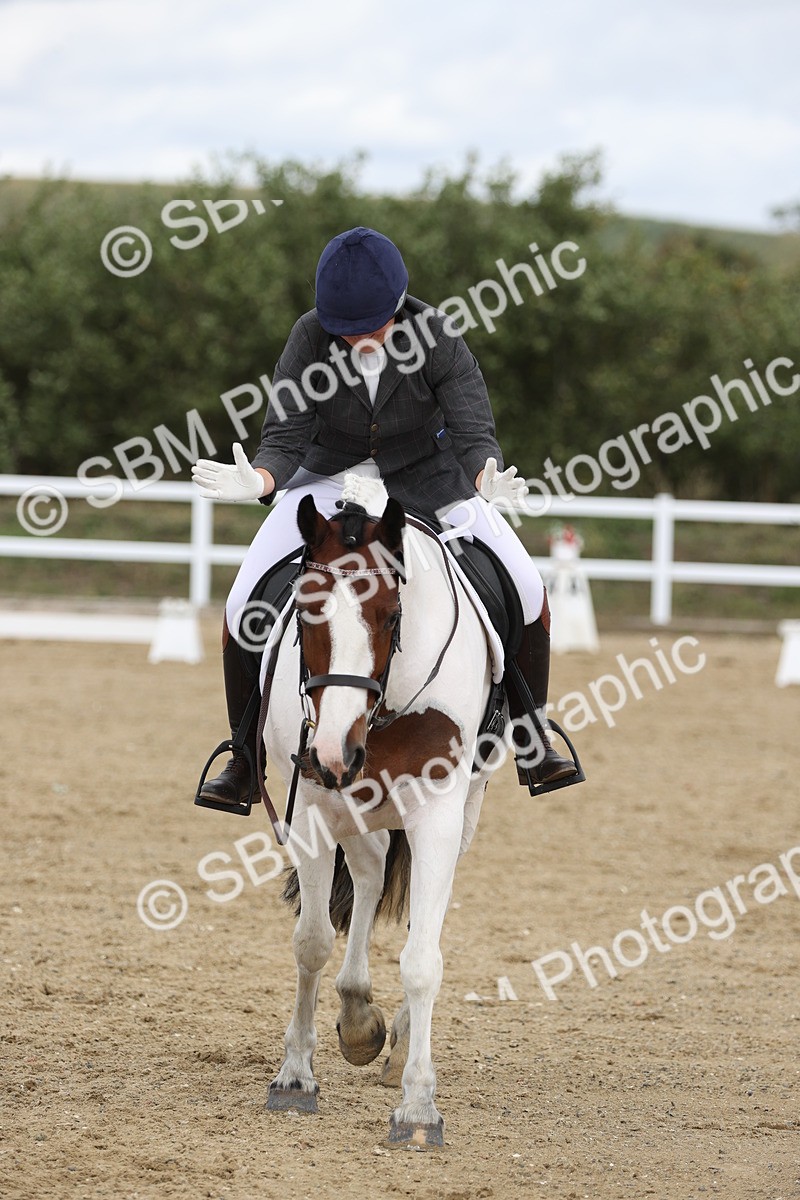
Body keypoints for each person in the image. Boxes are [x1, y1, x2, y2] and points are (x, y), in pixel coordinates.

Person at [192, 226, 578, 807]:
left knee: (526, 585)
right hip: (326, 476)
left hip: (426, 477)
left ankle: (533, 739)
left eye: (370, 329)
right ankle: (244, 758)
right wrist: (263, 480)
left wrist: (485, 476)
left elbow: (473, 429)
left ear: (398, 305)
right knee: (243, 599)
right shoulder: (310, 336)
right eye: (346, 333)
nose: (357, 342)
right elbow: (286, 433)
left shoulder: (439, 337)